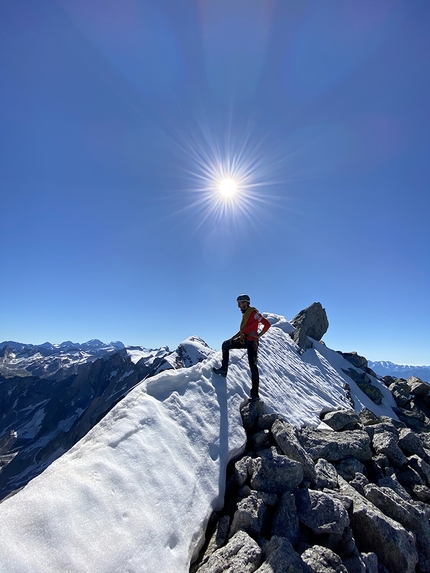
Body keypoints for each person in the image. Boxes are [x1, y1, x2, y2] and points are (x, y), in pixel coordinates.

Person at [213, 294, 271, 400]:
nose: (238, 306)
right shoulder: (245, 314)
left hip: (252, 342)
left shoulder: (254, 313)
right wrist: (232, 338)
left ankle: (255, 394)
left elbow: (267, 324)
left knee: (253, 366)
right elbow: (243, 330)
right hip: (244, 340)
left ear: (245, 303)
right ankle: (224, 370)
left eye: (239, 303)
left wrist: (258, 335)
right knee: (226, 344)